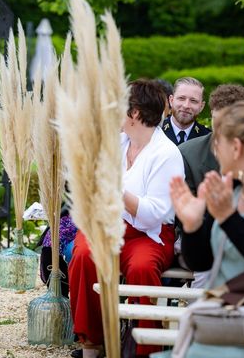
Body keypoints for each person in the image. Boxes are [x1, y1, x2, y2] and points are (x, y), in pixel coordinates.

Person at [68, 79, 184, 358]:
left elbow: (154, 213)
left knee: (143, 267)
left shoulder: (166, 154)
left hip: (150, 234)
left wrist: (115, 190)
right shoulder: (116, 142)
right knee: (83, 254)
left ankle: (145, 346)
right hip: (108, 225)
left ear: (134, 113)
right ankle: (92, 344)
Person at [170, 101, 244, 357]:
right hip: (221, 322)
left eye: (218, 141)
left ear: (236, 147)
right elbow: (202, 261)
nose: (213, 147)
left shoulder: (227, 203)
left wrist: (228, 217)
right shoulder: (231, 192)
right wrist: (193, 225)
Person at [162, 77, 210, 145]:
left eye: (193, 101)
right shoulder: (155, 132)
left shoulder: (208, 139)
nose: (186, 106)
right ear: (171, 101)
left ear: (201, 106)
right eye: (181, 98)